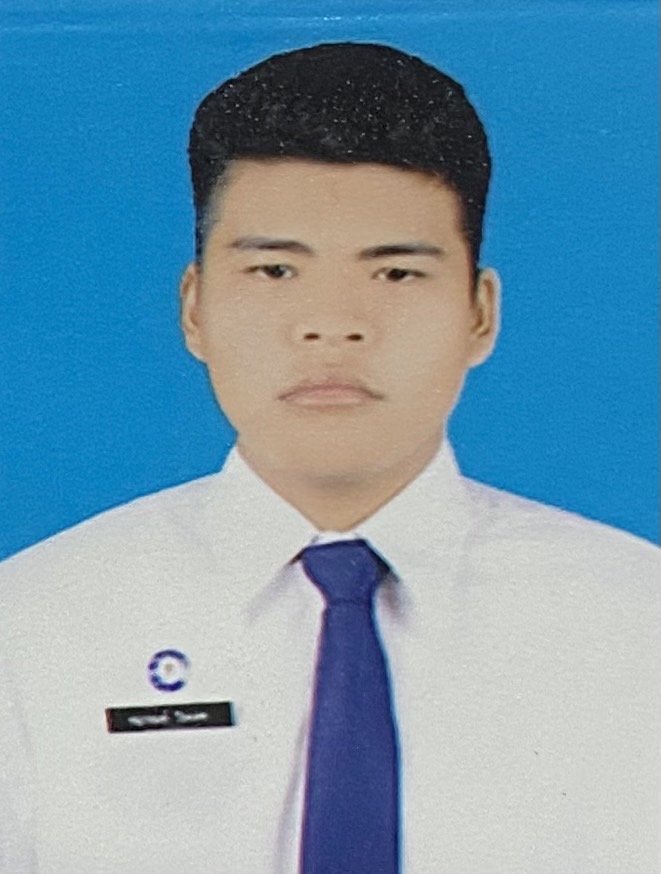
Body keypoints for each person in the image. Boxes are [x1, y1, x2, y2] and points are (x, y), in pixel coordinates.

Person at [0, 41, 658, 874]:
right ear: (194, 309)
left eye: (396, 274)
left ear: (479, 314)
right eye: (275, 269)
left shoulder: (637, 622)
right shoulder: (32, 626)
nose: (332, 324)